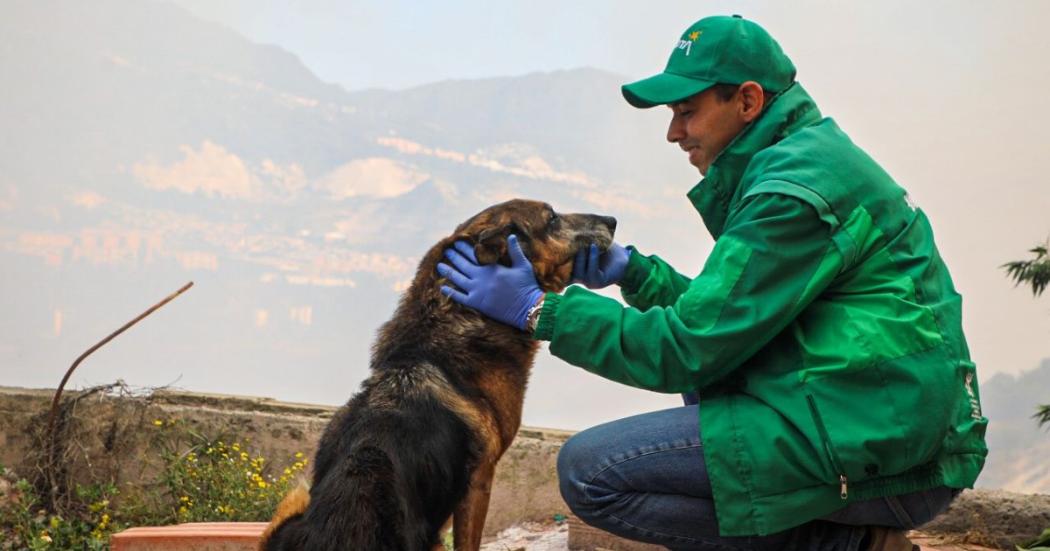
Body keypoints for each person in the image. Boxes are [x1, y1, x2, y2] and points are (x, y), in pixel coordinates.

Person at [436, 14, 987, 551]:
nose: (674, 132)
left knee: (590, 472)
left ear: (747, 101)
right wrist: (636, 273)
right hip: (870, 413)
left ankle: (854, 545)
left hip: (885, 448)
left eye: (687, 111)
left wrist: (540, 313)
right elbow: (728, 321)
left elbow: (688, 349)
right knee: (706, 388)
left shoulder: (789, 196)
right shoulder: (800, 161)